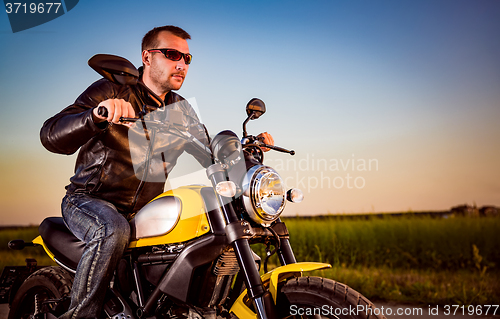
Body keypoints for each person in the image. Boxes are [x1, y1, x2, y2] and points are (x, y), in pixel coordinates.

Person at [40, 25, 274, 319]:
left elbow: (210, 155)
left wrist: (246, 153)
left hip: (144, 210)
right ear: (147, 57)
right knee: (112, 229)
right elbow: (50, 134)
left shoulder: (181, 111)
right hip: (90, 201)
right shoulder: (113, 89)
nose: (182, 64)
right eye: (173, 54)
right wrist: (96, 115)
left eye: (187, 59)